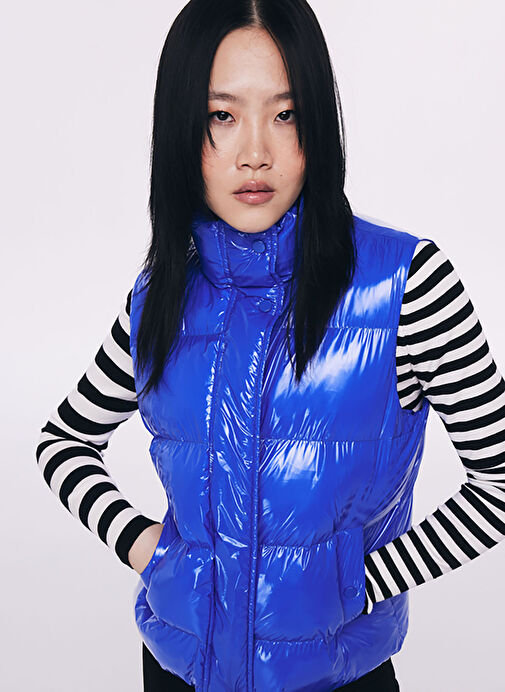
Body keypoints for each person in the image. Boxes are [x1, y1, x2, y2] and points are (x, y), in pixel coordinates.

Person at [35, 1, 505, 690]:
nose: (255, 151)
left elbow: (498, 483)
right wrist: (150, 552)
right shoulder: (160, 295)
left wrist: (358, 582)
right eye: (221, 116)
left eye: (285, 114)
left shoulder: (405, 286)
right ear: (181, 128)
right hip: (177, 668)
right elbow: (63, 442)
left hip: (335, 676)